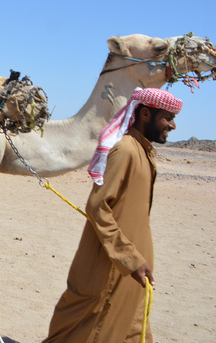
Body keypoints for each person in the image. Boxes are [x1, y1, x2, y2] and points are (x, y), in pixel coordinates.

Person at [43, 87, 183, 343]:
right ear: (144, 114)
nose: (172, 125)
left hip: (131, 265)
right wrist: (130, 258)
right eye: (167, 118)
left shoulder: (144, 152)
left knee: (130, 324)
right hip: (111, 262)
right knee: (90, 325)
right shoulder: (126, 150)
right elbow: (98, 207)